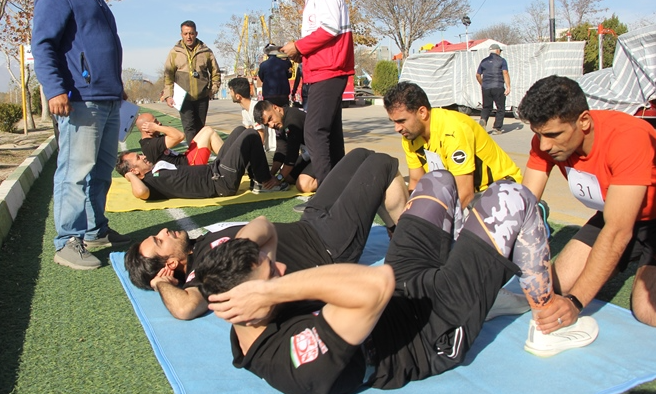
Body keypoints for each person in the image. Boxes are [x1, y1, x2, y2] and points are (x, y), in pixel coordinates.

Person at [197, 171, 599, 394]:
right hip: (431, 330)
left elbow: (264, 226)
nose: (282, 270)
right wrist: (271, 287)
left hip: (405, 291)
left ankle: (480, 282)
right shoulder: (293, 364)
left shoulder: (249, 308)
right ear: (250, 302)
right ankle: (549, 320)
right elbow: (377, 283)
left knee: (436, 182)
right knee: (510, 198)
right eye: (271, 274)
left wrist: (252, 258)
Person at [124, 148, 408, 320]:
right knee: (382, 163)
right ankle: (407, 241)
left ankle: (400, 228)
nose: (162, 231)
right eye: (159, 241)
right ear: (170, 265)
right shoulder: (204, 271)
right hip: (328, 246)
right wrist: (160, 285)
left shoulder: (197, 245)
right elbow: (186, 308)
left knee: (359, 155)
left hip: (310, 223)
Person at [518, 75, 656, 327]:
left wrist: (576, 302)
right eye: (539, 135)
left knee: (648, 311)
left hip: (647, 221)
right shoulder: (543, 141)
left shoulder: (628, 136)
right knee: (552, 285)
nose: (545, 145)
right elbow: (523, 206)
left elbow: (617, 231)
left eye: (553, 134)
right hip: (613, 214)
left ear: (583, 121)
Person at [32, 0, 130, 271]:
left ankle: (95, 231)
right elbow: (43, 44)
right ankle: (67, 241)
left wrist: (117, 86)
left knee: (102, 170)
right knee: (75, 172)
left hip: (107, 98)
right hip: (79, 99)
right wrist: (55, 89)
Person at [384, 81, 522, 209]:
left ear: (422, 112)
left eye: (401, 121)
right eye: (394, 122)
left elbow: (465, 195)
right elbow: (416, 181)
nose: (397, 128)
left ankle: (533, 209)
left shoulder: (453, 130)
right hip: (465, 192)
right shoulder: (410, 137)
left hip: (499, 188)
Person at [279, 0, 354, 186]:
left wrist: (298, 46)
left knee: (314, 132)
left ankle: (327, 194)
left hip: (329, 71)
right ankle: (338, 193)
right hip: (321, 70)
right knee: (330, 135)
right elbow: (322, 34)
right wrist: (299, 51)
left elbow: (330, 29)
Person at [116, 126, 283, 201]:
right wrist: (129, 175)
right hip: (221, 182)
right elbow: (141, 192)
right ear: (135, 171)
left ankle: (255, 177)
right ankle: (263, 181)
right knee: (251, 134)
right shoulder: (149, 182)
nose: (143, 157)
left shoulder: (154, 168)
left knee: (240, 130)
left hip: (215, 169)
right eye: (138, 159)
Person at [163, 20, 221, 145]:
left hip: (202, 97)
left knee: (200, 129)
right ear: (181, 34)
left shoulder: (206, 51)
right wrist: (168, 95)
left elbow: (215, 72)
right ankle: (192, 158)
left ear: (196, 33)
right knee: (189, 127)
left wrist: (213, 89)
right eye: (185, 34)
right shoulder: (174, 52)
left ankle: (200, 156)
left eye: (191, 33)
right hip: (183, 97)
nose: (188, 37)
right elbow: (168, 75)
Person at [253, 100, 317, 193]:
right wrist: (271, 175)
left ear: (276, 108)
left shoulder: (293, 120)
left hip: (324, 153)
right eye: (267, 124)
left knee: (303, 185)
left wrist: (278, 178)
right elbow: (281, 150)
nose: (271, 125)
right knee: (287, 177)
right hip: (309, 153)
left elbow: (292, 155)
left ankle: (336, 179)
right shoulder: (280, 122)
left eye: (270, 119)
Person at [135, 112, 222, 167]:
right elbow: (180, 136)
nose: (159, 123)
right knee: (208, 132)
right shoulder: (151, 144)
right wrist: (157, 127)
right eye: (155, 122)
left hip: (185, 159)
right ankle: (229, 161)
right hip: (189, 166)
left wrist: (157, 127)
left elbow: (172, 134)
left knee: (206, 129)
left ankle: (228, 159)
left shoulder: (153, 139)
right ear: (146, 128)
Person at [227, 77, 275, 152]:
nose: (229, 93)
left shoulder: (255, 108)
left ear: (238, 96)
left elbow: (261, 135)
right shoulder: (244, 111)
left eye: (231, 91)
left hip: (271, 150)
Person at [476, 44, 511, 135]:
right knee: (500, 108)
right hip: (498, 86)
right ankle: (497, 128)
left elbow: (478, 75)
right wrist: (508, 86)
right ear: (498, 51)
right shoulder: (502, 61)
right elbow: (505, 73)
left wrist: (482, 84)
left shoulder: (483, 61)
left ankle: (483, 120)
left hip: (486, 88)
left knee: (486, 107)